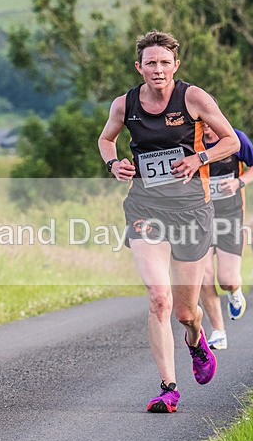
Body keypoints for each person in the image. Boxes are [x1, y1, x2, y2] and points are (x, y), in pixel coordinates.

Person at [97, 30, 240, 413]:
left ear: (175, 65)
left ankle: (196, 342)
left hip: (192, 209)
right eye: (150, 63)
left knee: (184, 312)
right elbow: (106, 140)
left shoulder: (193, 98)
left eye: (164, 62)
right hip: (145, 206)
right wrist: (114, 163)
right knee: (159, 298)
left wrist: (199, 159)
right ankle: (168, 387)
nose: (157, 69)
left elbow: (231, 142)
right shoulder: (124, 104)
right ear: (139, 67)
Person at [199, 124, 253, 350]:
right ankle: (218, 331)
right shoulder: (190, 139)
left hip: (230, 216)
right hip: (198, 217)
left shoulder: (235, 138)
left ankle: (235, 291)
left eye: (208, 121)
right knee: (203, 276)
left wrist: (238, 182)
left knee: (226, 279)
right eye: (200, 122)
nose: (205, 127)